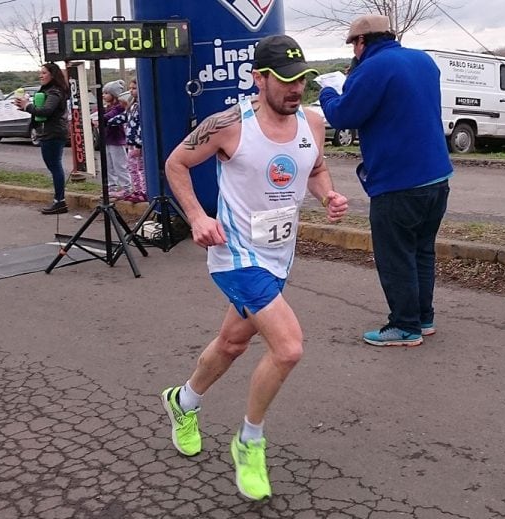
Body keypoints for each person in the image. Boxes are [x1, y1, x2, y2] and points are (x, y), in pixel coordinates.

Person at [161, 34, 349, 501]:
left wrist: (327, 194)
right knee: (288, 348)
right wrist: (198, 216)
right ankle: (249, 442)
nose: (295, 89)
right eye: (285, 80)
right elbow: (176, 164)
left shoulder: (312, 122)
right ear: (258, 78)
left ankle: (182, 402)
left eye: (301, 79)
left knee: (231, 343)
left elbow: (316, 168)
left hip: (279, 255)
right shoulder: (229, 125)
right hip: (236, 255)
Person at [318, 14, 453, 347]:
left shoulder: (372, 68)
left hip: (398, 181)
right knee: (422, 251)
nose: (354, 51)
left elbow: (343, 115)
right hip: (437, 176)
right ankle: (423, 317)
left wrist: (329, 92)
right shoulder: (423, 61)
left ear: (361, 42)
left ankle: (404, 327)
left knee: (395, 255)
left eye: (353, 44)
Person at [13, 63, 70, 215]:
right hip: (48, 133)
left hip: (53, 133)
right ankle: (59, 200)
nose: (41, 75)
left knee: (55, 166)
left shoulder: (55, 92)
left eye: (44, 73)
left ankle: (60, 201)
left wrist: (27, 106)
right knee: (53, 166)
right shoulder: (48, 90)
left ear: (52, 75)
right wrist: (25, 107)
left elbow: (46, 111)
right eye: (40, 73)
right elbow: (40, 112)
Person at [108, 78, 146, 203]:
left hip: (137, 145)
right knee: (132, 168)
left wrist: (139, 145)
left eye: (134, 88)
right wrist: (109, 121)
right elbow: (125, 117)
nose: (131, 91)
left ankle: (144, 191)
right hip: (130, 143)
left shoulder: (142, 107)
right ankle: (137, 190)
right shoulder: (133, 106)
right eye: (130, 88)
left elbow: (141, 126)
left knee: (140, 169)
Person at [101, 80, 130, 200]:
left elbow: (109, 117)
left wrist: (101, 119)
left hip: (116, 140)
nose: (104, 95)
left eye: (106, 93)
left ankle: (126, 187)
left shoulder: (118, 107)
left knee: (120, 164)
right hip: (107, 139)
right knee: (109, 165)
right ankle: (111, 186)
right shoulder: (108, 107)